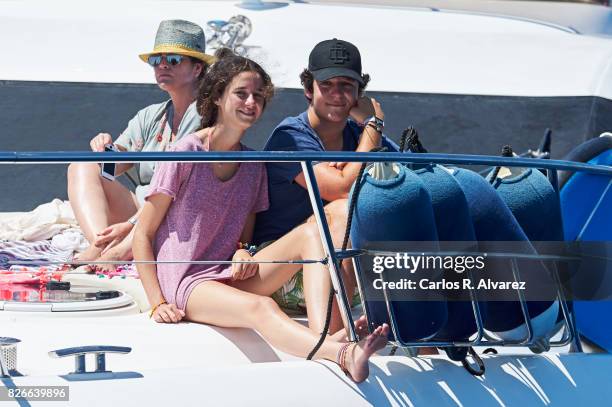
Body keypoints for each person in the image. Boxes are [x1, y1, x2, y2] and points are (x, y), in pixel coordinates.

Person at [132, 50, 389, 383]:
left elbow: (244, 236)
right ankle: (339, 352)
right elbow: (143, 233)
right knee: (263, 309)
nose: (251, 102)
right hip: (187, 280)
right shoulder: (186, 153)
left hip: (229, 271)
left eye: (257, 96)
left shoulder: (253, 164)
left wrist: (242, 250)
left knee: (312, 234)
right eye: (241, 94)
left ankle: (324, 331)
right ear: (217, 97)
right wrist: (156, 303)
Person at [253, 38, 397, 334]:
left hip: (344, 267)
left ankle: (433, 343)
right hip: (285, 269)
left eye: (346, 85)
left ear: (359, 94)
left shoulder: (360, 134)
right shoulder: (289, 137)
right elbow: (342, 188)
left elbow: (413, 171)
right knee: (343, 209)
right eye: (326, 85)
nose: (337, 94)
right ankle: (337, 339)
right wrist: (374, 125)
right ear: (308, 89)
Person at [67, 19, 215, 271]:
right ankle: (101, 246)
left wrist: (134, 224)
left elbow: (176, 188)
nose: (163, 65)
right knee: (82, 165)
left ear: (197, 69)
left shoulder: (206, 116)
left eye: (174, 59)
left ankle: (108, 253)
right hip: (141, 210)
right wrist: (105, 150)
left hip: (178, 215)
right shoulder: (150, 115)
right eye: (156, 60)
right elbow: (114, 166)